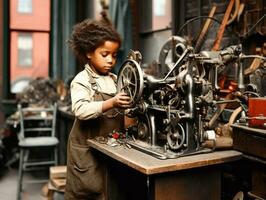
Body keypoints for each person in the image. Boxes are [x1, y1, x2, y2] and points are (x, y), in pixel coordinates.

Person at [65, 15, 131, 200]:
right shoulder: (81, 80)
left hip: (110, 151)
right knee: (89, 193)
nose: (110, 60)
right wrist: (111, 103)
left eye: (114, 55)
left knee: (111, 192)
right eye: (105, 54)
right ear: (89, 53)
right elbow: (80, 110)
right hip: (87, 154)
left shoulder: (115, 80)